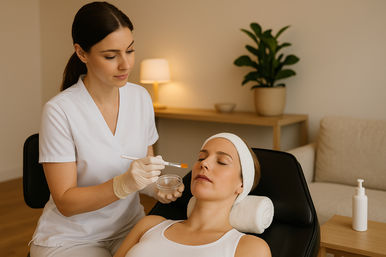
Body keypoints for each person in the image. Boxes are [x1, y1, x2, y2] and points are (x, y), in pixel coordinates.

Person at [30, 2, 183, 257]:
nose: (125, 65)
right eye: (111, 56)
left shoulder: (141, 98)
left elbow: (144, 170)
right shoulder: (60, 111)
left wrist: (155, 187)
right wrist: (122, 184)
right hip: (73, 238)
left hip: (131, 228)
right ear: (81, 53)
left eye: (130, 51)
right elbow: (66, 202)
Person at [113, 133, 272, 257]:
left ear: (242, 185)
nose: (204, 163)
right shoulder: (149, 225)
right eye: (201, 157)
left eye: (222, 161)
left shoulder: (250, 248)